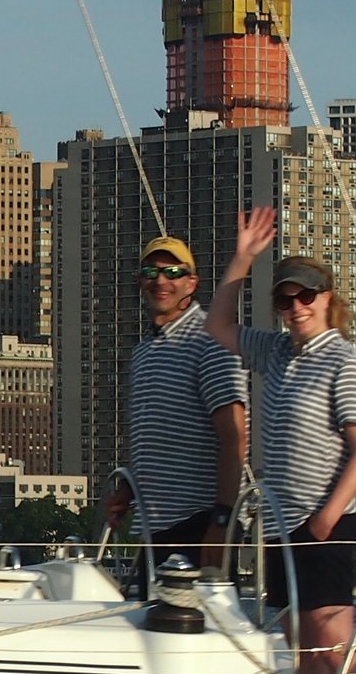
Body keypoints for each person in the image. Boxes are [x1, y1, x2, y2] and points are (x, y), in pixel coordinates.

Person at [206, 209, 356, 674]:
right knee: (299, 646)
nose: (296, 307)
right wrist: (243, 258)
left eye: (305, 295)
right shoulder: (278, 352)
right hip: (280, 523)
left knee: (331, 642)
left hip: (322, 522)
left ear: (326, 299)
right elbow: (217, 326)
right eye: (285, 301)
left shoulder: (345, 361)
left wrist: (326, 518)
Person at [103, 235, 248, 577]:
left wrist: (222, 522)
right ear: (140, 280)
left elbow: (234, 436)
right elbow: (159, 439)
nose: (161, 281)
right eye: (152, 271)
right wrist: (129, 489)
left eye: (173, 272)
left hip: (201, 524)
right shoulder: (143, 353)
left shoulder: (209, 342)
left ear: (191, 282)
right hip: (157, 529)